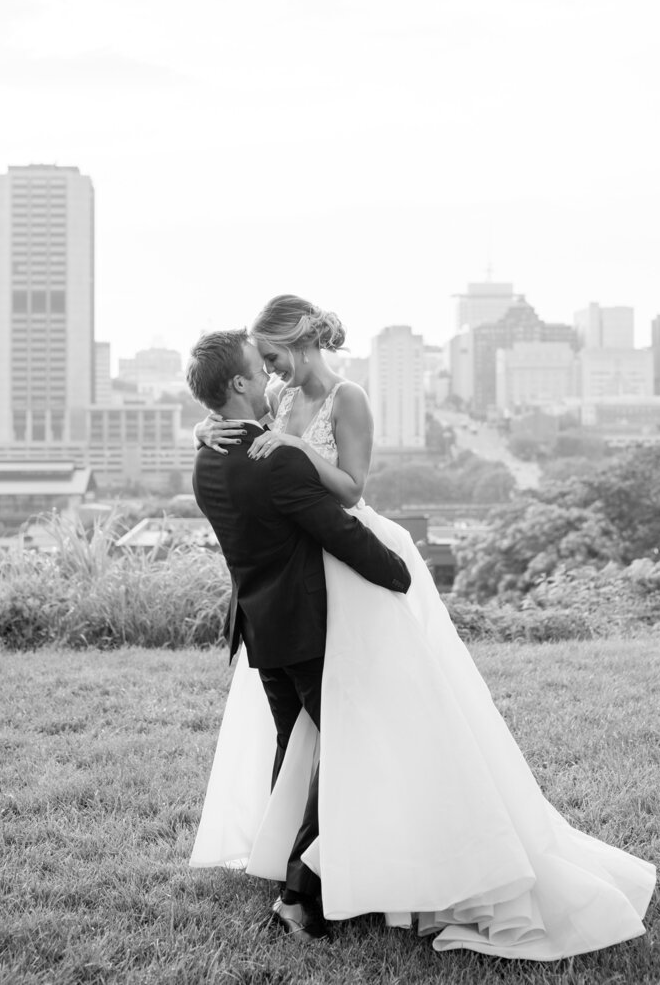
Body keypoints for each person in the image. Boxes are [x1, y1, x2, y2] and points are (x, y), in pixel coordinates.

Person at [190, 295, 656, 960]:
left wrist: (290, 448)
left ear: (298, 345)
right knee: (315, 742)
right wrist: (214, 428)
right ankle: (315, 876)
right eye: (260, 365)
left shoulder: (346, 400)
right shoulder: (281, 403)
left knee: (356, 733)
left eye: (273, 359)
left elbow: (348, 489)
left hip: (350, 557)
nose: (271, 374)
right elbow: (246, 441)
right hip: (309, 578)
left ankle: (317, 880)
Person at [185, 328, 411, 941]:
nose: (271, 380)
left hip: (260, 626)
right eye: (259, 372)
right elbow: (340, 532)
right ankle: (298, 894)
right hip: (305, 627)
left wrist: (204, 427)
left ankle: (283, 860)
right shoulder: (276, 458)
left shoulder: (206, 457)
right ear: (237, 384)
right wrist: (399, 571)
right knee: (337, 750)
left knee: (295, 749)